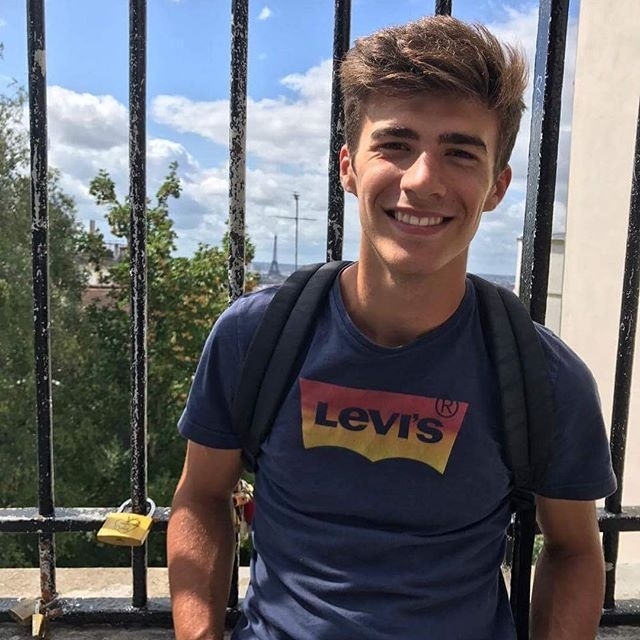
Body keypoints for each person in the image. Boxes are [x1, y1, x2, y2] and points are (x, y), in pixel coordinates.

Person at [167, 15, 616, 640]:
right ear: (348, 167)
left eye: (460, 152)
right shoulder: (255, 336)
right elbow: (200, 497)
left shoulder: (545, 376)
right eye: (395, 144)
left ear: (497, 187)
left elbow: (573, 549)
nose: (423, 179)